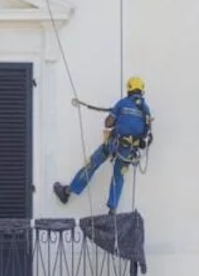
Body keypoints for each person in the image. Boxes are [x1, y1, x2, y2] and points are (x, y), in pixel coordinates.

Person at [53, 76, 154, 215]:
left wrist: (115, 114)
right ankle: (112, 211)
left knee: (92, 164)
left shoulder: (122, 103)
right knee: (118, 177)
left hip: (113, 144)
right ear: (142, 91)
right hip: (129, 152)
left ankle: (67, 192)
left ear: (129, 89)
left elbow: (108, 123)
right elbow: (146, 135)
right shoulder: (146, 110)